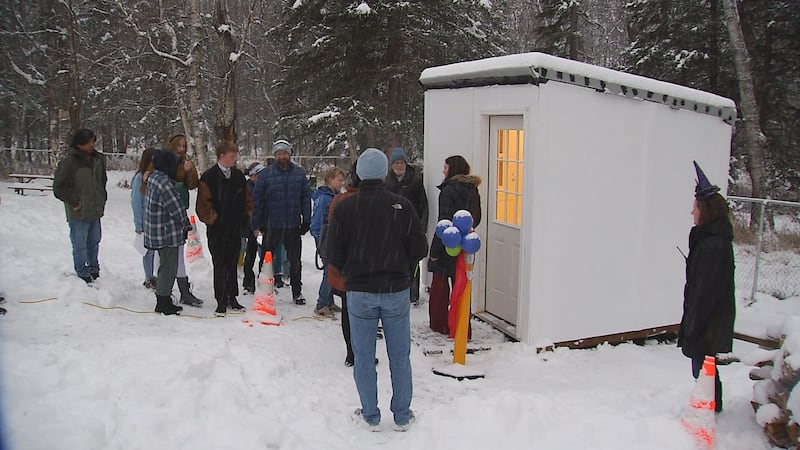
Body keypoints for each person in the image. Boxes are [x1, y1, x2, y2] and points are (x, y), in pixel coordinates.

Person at [327, 148, 428, 431]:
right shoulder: (401, 206)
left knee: (363, 355)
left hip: (360, 292)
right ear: (384, 172)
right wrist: (402, 270)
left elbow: (332, 251)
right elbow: (419, 248)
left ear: (358, 173)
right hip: (395, 289)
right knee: (399, 355)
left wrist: (352, 270)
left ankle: (370, 414)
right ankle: (402, 414)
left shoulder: (346, 206)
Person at [678, 161, 735, 413]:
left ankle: (710, 409)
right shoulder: (709, 239)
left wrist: (694, 325)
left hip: (708, 320)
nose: (692, 213)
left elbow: (705, 291)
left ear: (706, 211)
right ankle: (710, 406)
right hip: (706, 318)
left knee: (703, 365)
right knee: (703, 365)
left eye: (695, 208)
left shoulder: (713, 245)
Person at [251, 136, 312, 305]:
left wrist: (307, 220)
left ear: (290, 154)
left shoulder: (299, 174)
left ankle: (297, 292)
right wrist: (257, 223)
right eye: (279, 153)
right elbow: (258, 201)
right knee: (266, 259)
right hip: (272, 224)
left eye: (285, 153)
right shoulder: (265, 175)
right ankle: (264, 289)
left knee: (295, 261)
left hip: (292, 224)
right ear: (275, 155)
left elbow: (305, 199)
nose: (282, 156)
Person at [196, 141, 253, 317]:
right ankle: (221, 300)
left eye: (235, 156)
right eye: (232, 156)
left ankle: (232, 297)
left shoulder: (238, 176)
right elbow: (202, 207)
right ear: (221, 156)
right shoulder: (208, 177)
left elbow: (248, 200)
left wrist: (247, 216)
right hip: (217, 230)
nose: (235, 159)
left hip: (235, 228)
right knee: (219, 264)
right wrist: (215, 220)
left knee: (232, 263)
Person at [427, 155, 481, 335]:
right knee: (462, 287)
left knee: (440, 289)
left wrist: (434, 251)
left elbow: (444, 222)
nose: (443, 170)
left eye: (445, 167)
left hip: (446, 245)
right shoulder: (472, 190)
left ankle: (441, 324)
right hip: (466, 245)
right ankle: (462, 326)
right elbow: (476, 218)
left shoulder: (448, 191)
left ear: (453, 169)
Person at [53, 128, 108, 284]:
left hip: (95, 209)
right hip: (78, 211)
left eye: (93, 141)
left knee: (94, 241)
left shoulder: (98, 159)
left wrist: (102, 198)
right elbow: (59, 187)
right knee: (80, 243)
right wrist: (74, 201)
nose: (92, 145)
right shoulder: (69, 162)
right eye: (88, 142)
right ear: (79, 143)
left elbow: (102, 181)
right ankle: (82, 271)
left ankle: (93, 268)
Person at [156, 134, 203, 307]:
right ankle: (164, 293)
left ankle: (181, 291)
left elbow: (192, 185)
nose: (182, 149)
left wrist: (190, 170)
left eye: (184, 146)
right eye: (179, 145)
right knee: (166, 256)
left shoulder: (185, 163)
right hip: (163, 214)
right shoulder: (161, 161)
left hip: (178, 207)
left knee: (177, 255)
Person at [144, 150, 190, 316]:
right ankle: (163, 301)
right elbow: (176, 208)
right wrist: (186, 223)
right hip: (166, 232)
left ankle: (163, 298)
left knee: (165, 266)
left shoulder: (154, 178)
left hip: (156, 231)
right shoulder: (164, 183)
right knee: (168, 267)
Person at [384, 147, 428, 305]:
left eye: (402, 162)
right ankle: (395, 291)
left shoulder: (415, 181)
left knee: (413, 263)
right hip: (392, 230)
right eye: (396, 162)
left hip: (411, 228)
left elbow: (423, 206)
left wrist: (421, 228)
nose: (399, 166)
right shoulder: (387, 182)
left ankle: (412, 294)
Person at [311, 166, 346, 317]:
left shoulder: (334, 196)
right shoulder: (324, 198)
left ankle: (329, 300)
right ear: (330, 180)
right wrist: (320, 238)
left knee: (332, 269)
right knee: (328, 269)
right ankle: (321, 304)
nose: (341, 183)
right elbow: (318, 220)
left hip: (331, 235)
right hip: (325, 236)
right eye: (339, 180)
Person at [131, 148, 158, 290]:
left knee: (155, 251)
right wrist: (139, 224)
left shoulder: (156, 177)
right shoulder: (139, 178)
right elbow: (136, 201)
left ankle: (155, 276)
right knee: (147, 251)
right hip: (145, 222)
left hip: (155, 221)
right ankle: (149, 277)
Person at [242, 162, 266, 294]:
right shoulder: (249, 188)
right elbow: (250, 208)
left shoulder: (259, 187)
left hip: (259, 223)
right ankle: (249, 281)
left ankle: (258, 279)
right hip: (252, 225)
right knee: (251, 253)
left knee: (260, 253)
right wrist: (254, 226)